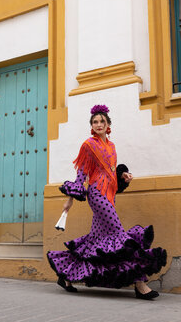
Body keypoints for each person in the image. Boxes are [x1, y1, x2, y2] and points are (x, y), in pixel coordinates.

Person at [47, 104, 167, 300]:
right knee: (121, 237)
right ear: (91, 126)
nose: (98, 124)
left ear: (108, 124)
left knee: (95, 241)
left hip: (110, 195)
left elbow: (110, 171)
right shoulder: (88, 145)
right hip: (96, 194)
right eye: (95, 122)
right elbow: (81, 174)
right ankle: (140, 283)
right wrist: (69, 201)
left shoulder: (111, 146)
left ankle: (65, 275)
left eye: (102, 121)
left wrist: (122, 176)